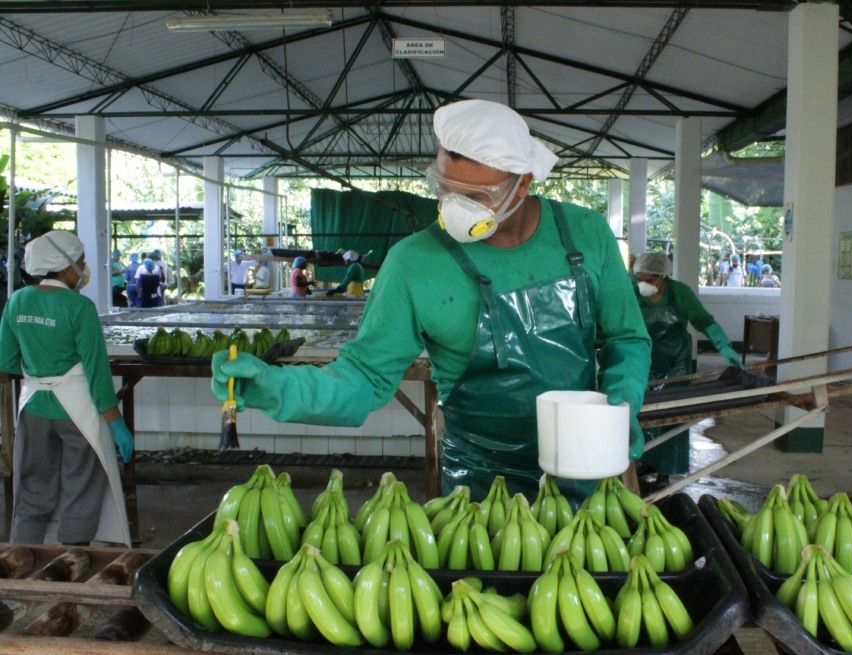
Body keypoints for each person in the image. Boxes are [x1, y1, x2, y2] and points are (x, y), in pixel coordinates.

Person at [211, 99, 651, 500]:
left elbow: (627, 339)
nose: (455, 207)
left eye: (476, 197)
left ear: (523, 185)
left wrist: (622, 401)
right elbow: (364, 379)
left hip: (590, 466)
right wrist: (278, 388)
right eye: (445, 189)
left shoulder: (587, 234)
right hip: (478, 487)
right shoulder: (413, 263)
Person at [0, 230, 132, 547]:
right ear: (65, 265)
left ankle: (22, 564)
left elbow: (5, 364)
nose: (84, 269)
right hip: (77, 412)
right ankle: (72, 563)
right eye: (82, 262)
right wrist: (116, 423)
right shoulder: (79, 308)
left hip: (32, 409)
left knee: (32, 491)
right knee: (81, 486)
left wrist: (38, 365)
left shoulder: (16, 301)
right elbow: (98, 373)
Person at [633, 252, 743, 481]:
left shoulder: (680, 293)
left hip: (676, 362)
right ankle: (645, 461)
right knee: (642, 414)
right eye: (639, 279)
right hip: (644, 359)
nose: (644, 284)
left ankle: (665, 469)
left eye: (649, 280)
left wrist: (724, 346)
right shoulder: (634, 293)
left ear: (662, 276)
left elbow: (705, 322)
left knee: (672, 416)